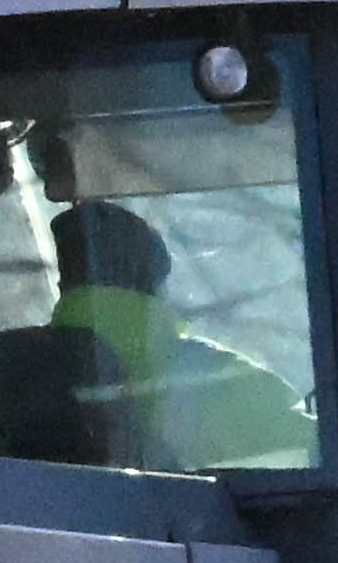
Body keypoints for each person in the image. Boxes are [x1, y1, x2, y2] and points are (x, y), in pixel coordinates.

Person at [41, 199, 305, 470]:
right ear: (157, 288)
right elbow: (317, 451)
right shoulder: (214, 379)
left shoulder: (13, 371)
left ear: (63, 284)